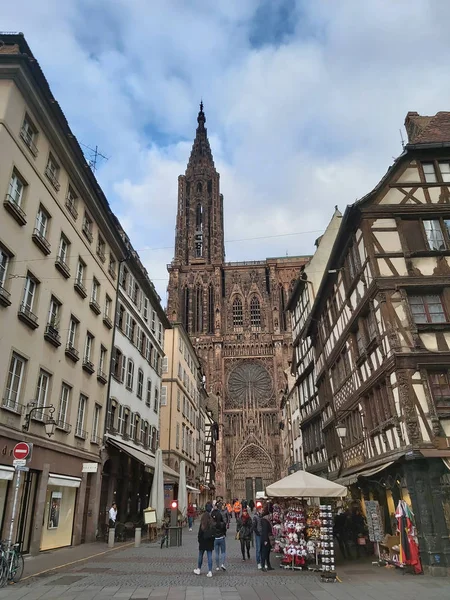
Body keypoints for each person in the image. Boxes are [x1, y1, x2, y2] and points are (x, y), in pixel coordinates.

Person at [194, 511, 215, 577]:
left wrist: (199, 541)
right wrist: (212, 541)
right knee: (209, 557)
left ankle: (199, 569)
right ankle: (210, 571)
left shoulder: (202, 524)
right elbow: (214, 534)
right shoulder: (212, 524)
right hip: (209, 542)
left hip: (203, 542)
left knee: (200, 556)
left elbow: (199, 534)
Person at [211, 501, 227, 571]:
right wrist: (224, 534)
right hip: (221, 538)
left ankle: (217, 566)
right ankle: (222, 564)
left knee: (216, 553)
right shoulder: (222, 524)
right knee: (223, 552)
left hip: (215, 538)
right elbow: (224, 530)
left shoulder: (213, 524)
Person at [252, 503, 263, 569]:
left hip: (262, 534)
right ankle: (258, 562)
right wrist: (257, 533)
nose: (262, 510)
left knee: (262, 549)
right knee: (258, 549)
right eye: (261, 509)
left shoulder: (261, 516)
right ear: (258, 509)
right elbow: (254, 527)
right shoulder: (255, 517)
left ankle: (262, 562)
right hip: (258, 535)